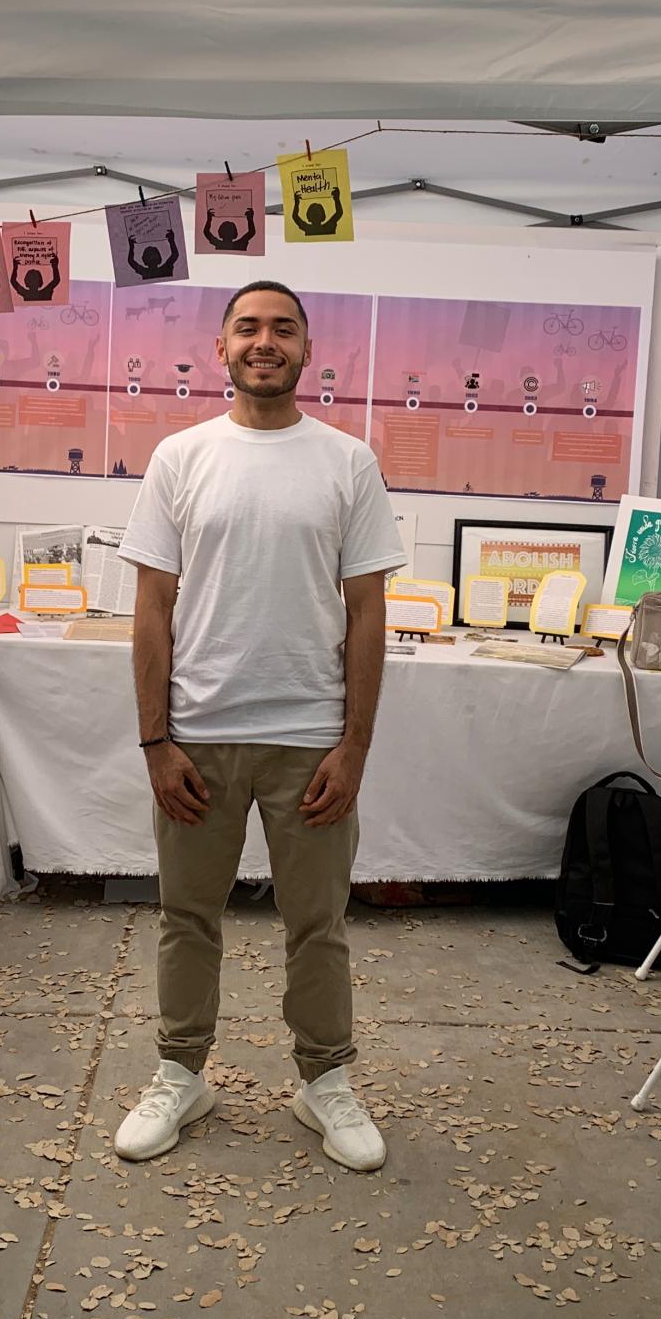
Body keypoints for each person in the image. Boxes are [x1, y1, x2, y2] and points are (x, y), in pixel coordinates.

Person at [115, 279, 406, 1172]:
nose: (264, 341)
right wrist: (156, 741)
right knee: (186, 917)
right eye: (248, 327)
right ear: (222, 347)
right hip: (198, 738)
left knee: (316, 924)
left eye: (283, 328)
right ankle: (179, 1075)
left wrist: (353, 747)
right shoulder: (181, 457)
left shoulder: (348, 462)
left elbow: (366, 615)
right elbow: (152, 609)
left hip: (308, 741)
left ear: (308, 350)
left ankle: (326, 1081)